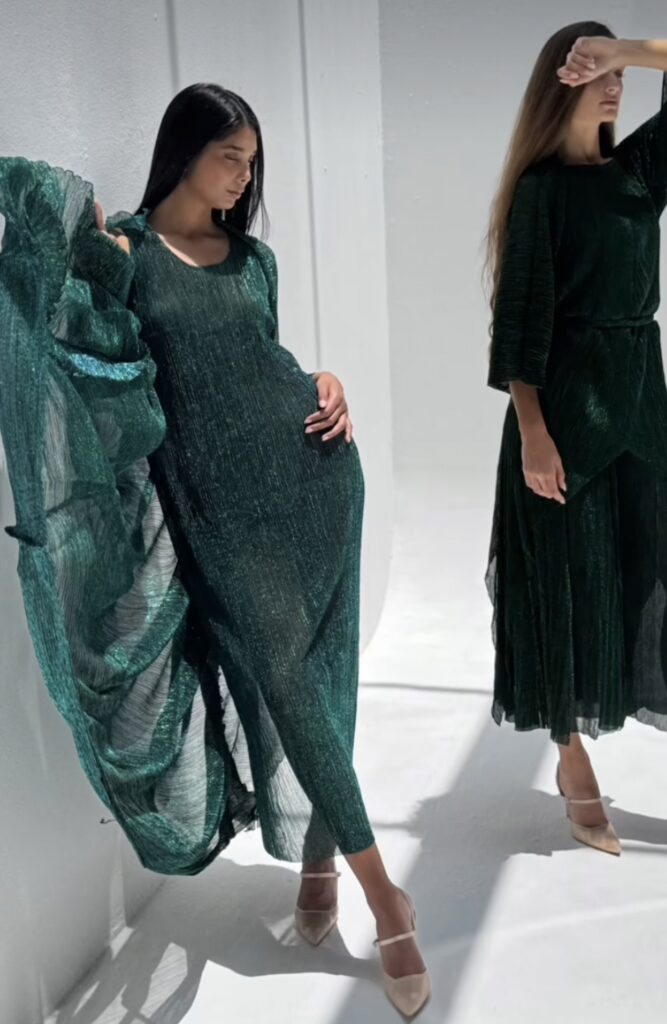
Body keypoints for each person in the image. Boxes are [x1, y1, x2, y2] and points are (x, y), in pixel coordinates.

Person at [0, 82, 429, 1016]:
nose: (242, 178)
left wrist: (326, 376)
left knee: (324, 687)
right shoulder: (128, 254)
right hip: (220, 522)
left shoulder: (254, 260)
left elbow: (265, 361)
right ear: (183, 152)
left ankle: (320, 864)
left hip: (319, 485)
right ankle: (385, 899)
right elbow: (75, 335)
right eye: (228, 157)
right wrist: (70, 241)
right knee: (285, 686)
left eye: (250, 163)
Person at [484, 23, 667, 856]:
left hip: (641, 409)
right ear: (556, 84)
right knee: (562, 583)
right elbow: (518, 322)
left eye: (614, 71)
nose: (611, 84)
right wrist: (532, 433)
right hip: (563, 417)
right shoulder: (541, 192)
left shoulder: (637, 172)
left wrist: (623, 48)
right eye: (591, 70)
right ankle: (569, 753)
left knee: (644, 574)